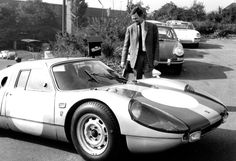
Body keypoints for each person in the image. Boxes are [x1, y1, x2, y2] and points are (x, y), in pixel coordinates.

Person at [120, 6, 159, 79]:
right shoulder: (130, 29)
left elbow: (156, 43)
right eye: (133, 19)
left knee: (148, 79)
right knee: (137, 80)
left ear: (141, 16)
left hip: (148, 57)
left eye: (136, 18)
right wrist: (123, 61)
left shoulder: (152, 27)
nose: (134, 20)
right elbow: (126, 46)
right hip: (136, 58)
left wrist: (156, 58)